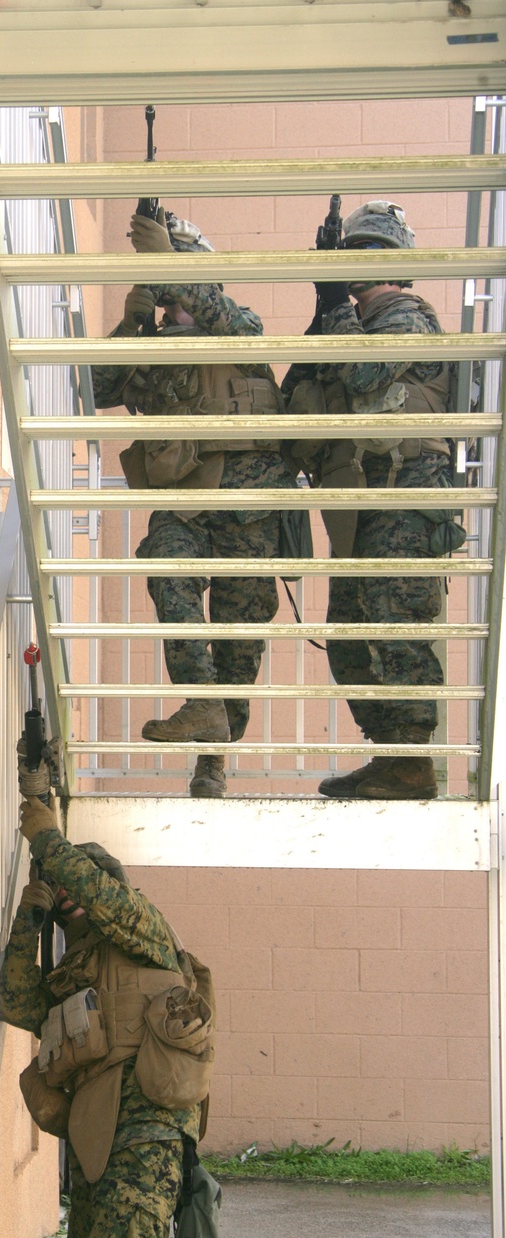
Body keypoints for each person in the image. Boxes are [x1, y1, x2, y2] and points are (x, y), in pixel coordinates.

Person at [0, 790, 213, 1238]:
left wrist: (49, 838)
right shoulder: (75, 970)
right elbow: (18, 1000)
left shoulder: (145, 928)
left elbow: (98, 891)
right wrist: (31, 916)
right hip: (97, 1137)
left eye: (75, 896)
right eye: (65, 905)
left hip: (150, 1130)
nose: (75, 909)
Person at [93, 210, 297, 798]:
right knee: (168, 571)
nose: (172, 308)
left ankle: (214, 758)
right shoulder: (155, 348)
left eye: (177, 289)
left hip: (250, 504)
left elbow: (222, 314)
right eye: (165, 298)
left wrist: (174, 268)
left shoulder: (235, 324)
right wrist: (131, 325)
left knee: (240, 634)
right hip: (185, 503)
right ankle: (203, 704)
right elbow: (97, 388)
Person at [282, 199, 462, 800]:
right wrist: (321, 311)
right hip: (363, 506)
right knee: (352, 637)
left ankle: (411, 759)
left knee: (396, 628)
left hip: (406, 500)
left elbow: (364, 376)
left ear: (392, 261)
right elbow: (295, 397)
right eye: (347, 253)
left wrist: (336, 306)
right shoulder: (345, 323)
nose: (353, 264)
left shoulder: (408, 316)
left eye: (365, 252)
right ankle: (390, 757)